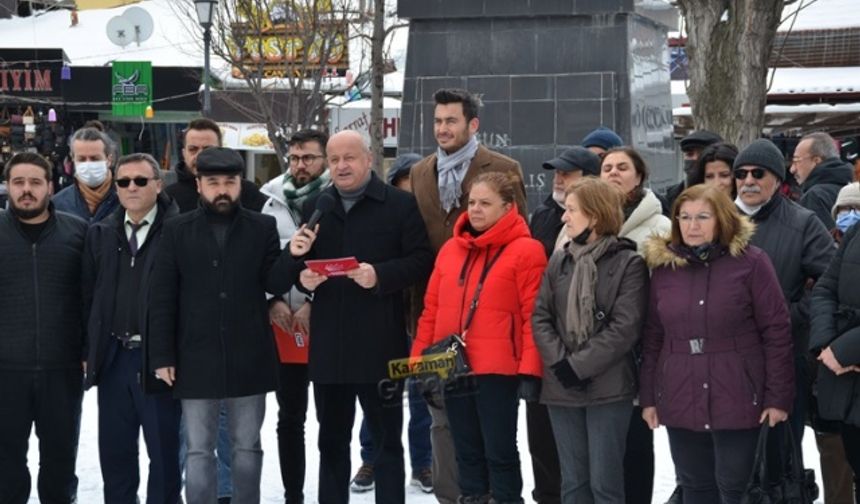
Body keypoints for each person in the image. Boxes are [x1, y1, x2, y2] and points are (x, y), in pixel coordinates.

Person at [286, 130, 433, 504]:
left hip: (380, 345)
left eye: (349, 158)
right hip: (330, 348)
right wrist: (303, 276)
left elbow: (421, 261)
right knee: (331, 442)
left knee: (386, 442)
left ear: (369, 159)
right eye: (334, 160)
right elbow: (302, 264)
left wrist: (380, 275)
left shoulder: (399, 205)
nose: (341, 166)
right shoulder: (318, 205)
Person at [148, 147, 296, 504]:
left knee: (247, 447)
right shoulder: (176, 229)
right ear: (199, 185)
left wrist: (294, 256)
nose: (222, 190)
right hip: (195, 355)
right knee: (199, 450)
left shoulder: (262, 226)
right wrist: (162, 354)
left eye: (229, 182)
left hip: (249, 355)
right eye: (213, 182)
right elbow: (162, 296)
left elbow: (273, 283)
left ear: (240, 184)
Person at [409, 87, 528, 504]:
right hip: (441, 318)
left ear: (472, 124)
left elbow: (519, 243)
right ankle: (453, 496)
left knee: (495, 441)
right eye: (438, 121)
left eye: (451, 121)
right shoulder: (421, 172)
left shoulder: (504, 168)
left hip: (493, 332)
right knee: (447, 428)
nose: (442, 128)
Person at [640, 184, 795, 504]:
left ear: (722, 219)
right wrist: (649, 397)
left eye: (702, 217)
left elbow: (776, 331)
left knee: (734, 487)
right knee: (695, 487)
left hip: (737, 389)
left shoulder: (751, 262)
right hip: (680, 389)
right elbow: (654, 336)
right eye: (684, 217)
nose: (692, 225)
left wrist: (777, 396)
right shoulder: (665, 269)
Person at [532, 176, 648, 504]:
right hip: (561, 387)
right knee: (573, 483)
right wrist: (560, 364)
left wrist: (578, 366)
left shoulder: (629, 263)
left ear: (594, 216)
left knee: (604, 484)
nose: (564, 217)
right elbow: (541, 317)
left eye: (571, 210)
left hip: (609, 388)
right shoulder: (560, 260)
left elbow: (625, 328)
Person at [82, 153, 182, 504]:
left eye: (141, 180)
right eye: (124, 181)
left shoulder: (179, 231)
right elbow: (87, 297)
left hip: (158, 363)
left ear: (158, 184)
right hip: (113, 361)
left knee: (165, 457)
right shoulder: (101, 233)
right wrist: (87, 351)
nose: (132, 187)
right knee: (116, 457)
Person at [733, 139, 835, 446]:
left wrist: (791, 315)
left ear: (777, 179)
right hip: (726, 359)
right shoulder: (716, 219)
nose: (748, 180)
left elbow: (831, 281)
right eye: (741, 173)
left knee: (779, 456)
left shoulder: (803, 222)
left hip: (783, 357)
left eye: (758, 173)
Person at [0, 152, 88, 503]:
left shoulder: (78, 232)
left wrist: (87, 350)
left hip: (61, 370)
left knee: (60, 464)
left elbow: (90, 298)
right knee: (6, 466)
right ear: (7, 186)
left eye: (35, 182)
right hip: (5, 371)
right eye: (19, 182)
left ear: (50, 187)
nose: (26, 190)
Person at [354, 151, 434, 495]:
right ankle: (371, 458)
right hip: (385, 318)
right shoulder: (384, 215)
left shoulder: (432, 216)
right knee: (380, 395)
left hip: (423, 318)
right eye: (405, 186)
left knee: (421, 396)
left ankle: (424, 463)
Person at [259, 128, 330, 504]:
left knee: (333, 421)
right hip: (285, 327)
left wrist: (313, 302)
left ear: (324, 158)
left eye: (309, 158)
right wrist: (272, 299)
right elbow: (258, 262)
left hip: (330, 324)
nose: (301, 166)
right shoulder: (268, 200)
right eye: (295, 158)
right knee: (290, 419)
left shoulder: (339, 198)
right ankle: (293, 494)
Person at [810, 189, 860, 504]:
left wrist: (848, 349)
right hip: (845, 382)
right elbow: (825, 289)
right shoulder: (855, 233)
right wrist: (827, 343)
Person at [165, 118, 267, 213]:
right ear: (184, 153)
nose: (200, 156)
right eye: (193, 149)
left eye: (208, 149)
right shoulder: (168, 197)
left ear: (221, 149)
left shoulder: (248, 192)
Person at [531, 146, 602, 256]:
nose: (557, 180)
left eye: (565, 174)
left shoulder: (600, 220)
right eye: (557, 173)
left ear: (587, 179)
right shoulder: (542, 214)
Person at [53, 126, 120, 223]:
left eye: (95, 158)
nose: (88, 164)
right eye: (82, 159)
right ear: (73, 159)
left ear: (109, 160)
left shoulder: (125, 199)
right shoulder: (58, 204)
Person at [790, 132, 854, 231]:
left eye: (796, 160)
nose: (792, 169)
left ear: (816, 160)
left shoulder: (815, 197)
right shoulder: (853, 188)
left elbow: (818, 243)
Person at [662, 130, 723, 212]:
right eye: (690, 154)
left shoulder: (726, 191)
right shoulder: (672, 196)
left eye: (701, 153)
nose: (694, 158)